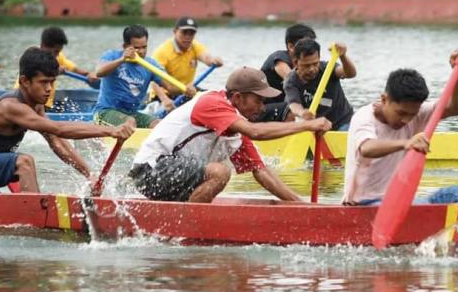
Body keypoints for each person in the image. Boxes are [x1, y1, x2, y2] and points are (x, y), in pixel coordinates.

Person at [129, 66, 331, 203]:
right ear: (237, 97)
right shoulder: (212, 103)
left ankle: (186, 223)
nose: (262, 108)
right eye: (259, 100)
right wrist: (307, 126)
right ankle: (183, 227)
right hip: (149, 172)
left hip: (173, 175)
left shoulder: (234, 130)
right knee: (221, 172)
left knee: (220, 171)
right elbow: (255, 132)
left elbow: (262, 172)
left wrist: (303, 206)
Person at [0, 48, 134, 193]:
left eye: (52, 82)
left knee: (22, 160)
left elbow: (57, 142)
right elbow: (58, 128)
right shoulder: (10, 107)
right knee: (24, 161)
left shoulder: (36, 106)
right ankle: (35, 212)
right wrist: (110, 130)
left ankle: (32, 208)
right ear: (24, 81)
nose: (49, 89)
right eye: (43, 82)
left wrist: (89, 175)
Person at [342, 60, 458, 206]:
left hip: (403, 202)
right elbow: (367, 148)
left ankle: (457, 227)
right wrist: (406, 143)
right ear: (384, 99)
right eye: (401, 113)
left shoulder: (418, 114)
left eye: (412, 114)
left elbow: (455, 108)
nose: (406, 120)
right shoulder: (364, 117)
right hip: (363, 203)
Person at [94, 25, 170, 129]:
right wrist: (122, 59)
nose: (141, 51)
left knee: (160, 125)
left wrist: (186, 89)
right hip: (105, 112)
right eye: (136, 48)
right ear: (125, 46)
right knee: (130, 122)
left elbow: (170, 87)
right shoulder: (111, 56)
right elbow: (99, 72)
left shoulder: (150, 64)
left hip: (131, 114)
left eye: (144, 47)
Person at [149, 17, 223, 112]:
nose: (188, 37)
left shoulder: (195, 46)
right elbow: (154, 80)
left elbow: (206, 58)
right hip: (164, 95)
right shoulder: (162, 51)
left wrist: (214, 60)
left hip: (188, 91)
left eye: (191, 33)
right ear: (175, 31)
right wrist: (164, 100)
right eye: (184, 32)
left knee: (216, 100)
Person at [15, 27, 99, 110]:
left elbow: (75, 70)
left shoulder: (58, 57)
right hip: (27, 102)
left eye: (59, 52)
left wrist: (89, 74)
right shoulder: (32, 57)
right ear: (42, 46)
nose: (57, 55)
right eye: (55, 51)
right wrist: (55, 71)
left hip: (43, 104)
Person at [284, 38, 356, 131]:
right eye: (306, 65)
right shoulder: (291, 81)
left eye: (315, 64)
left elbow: (350, 74)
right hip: (317, 126)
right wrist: (302, 113)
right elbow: (294, 105)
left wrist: (343, 56)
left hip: (342, 122)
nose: (312, 69)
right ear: (295, 63)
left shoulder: (328, 68)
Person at [259, 23, 317, 121]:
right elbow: (292, 78)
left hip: (283, 107)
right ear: (291, 46)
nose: (310, 49)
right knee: (292, 109)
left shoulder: (307, 64)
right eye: (305, 45)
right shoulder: (279, 58)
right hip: (262, 109)